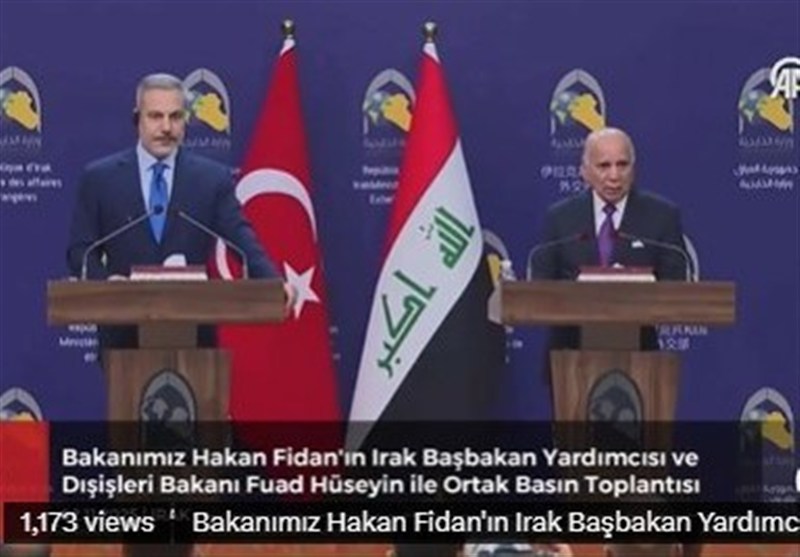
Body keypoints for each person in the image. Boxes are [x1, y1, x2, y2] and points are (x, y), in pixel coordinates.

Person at [66, 73, 291, 350]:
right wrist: (107, 283)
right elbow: (80, 251)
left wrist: (271, 282)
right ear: (137, 119)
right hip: (123, 339)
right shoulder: (101, 179)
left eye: (175, 117)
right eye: (155, 116)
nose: (166, 127)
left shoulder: (211, 179)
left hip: (195, 338)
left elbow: (241, 239)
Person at [529, 126, 689, 352]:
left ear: (633, 169)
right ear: (584, 171)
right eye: (604, 166)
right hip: (570, 354)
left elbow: (676, 288)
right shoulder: (560, 218)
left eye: (622, 165)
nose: (614, 176)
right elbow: (542, 287)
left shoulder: (662, 216)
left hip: (639, 354)